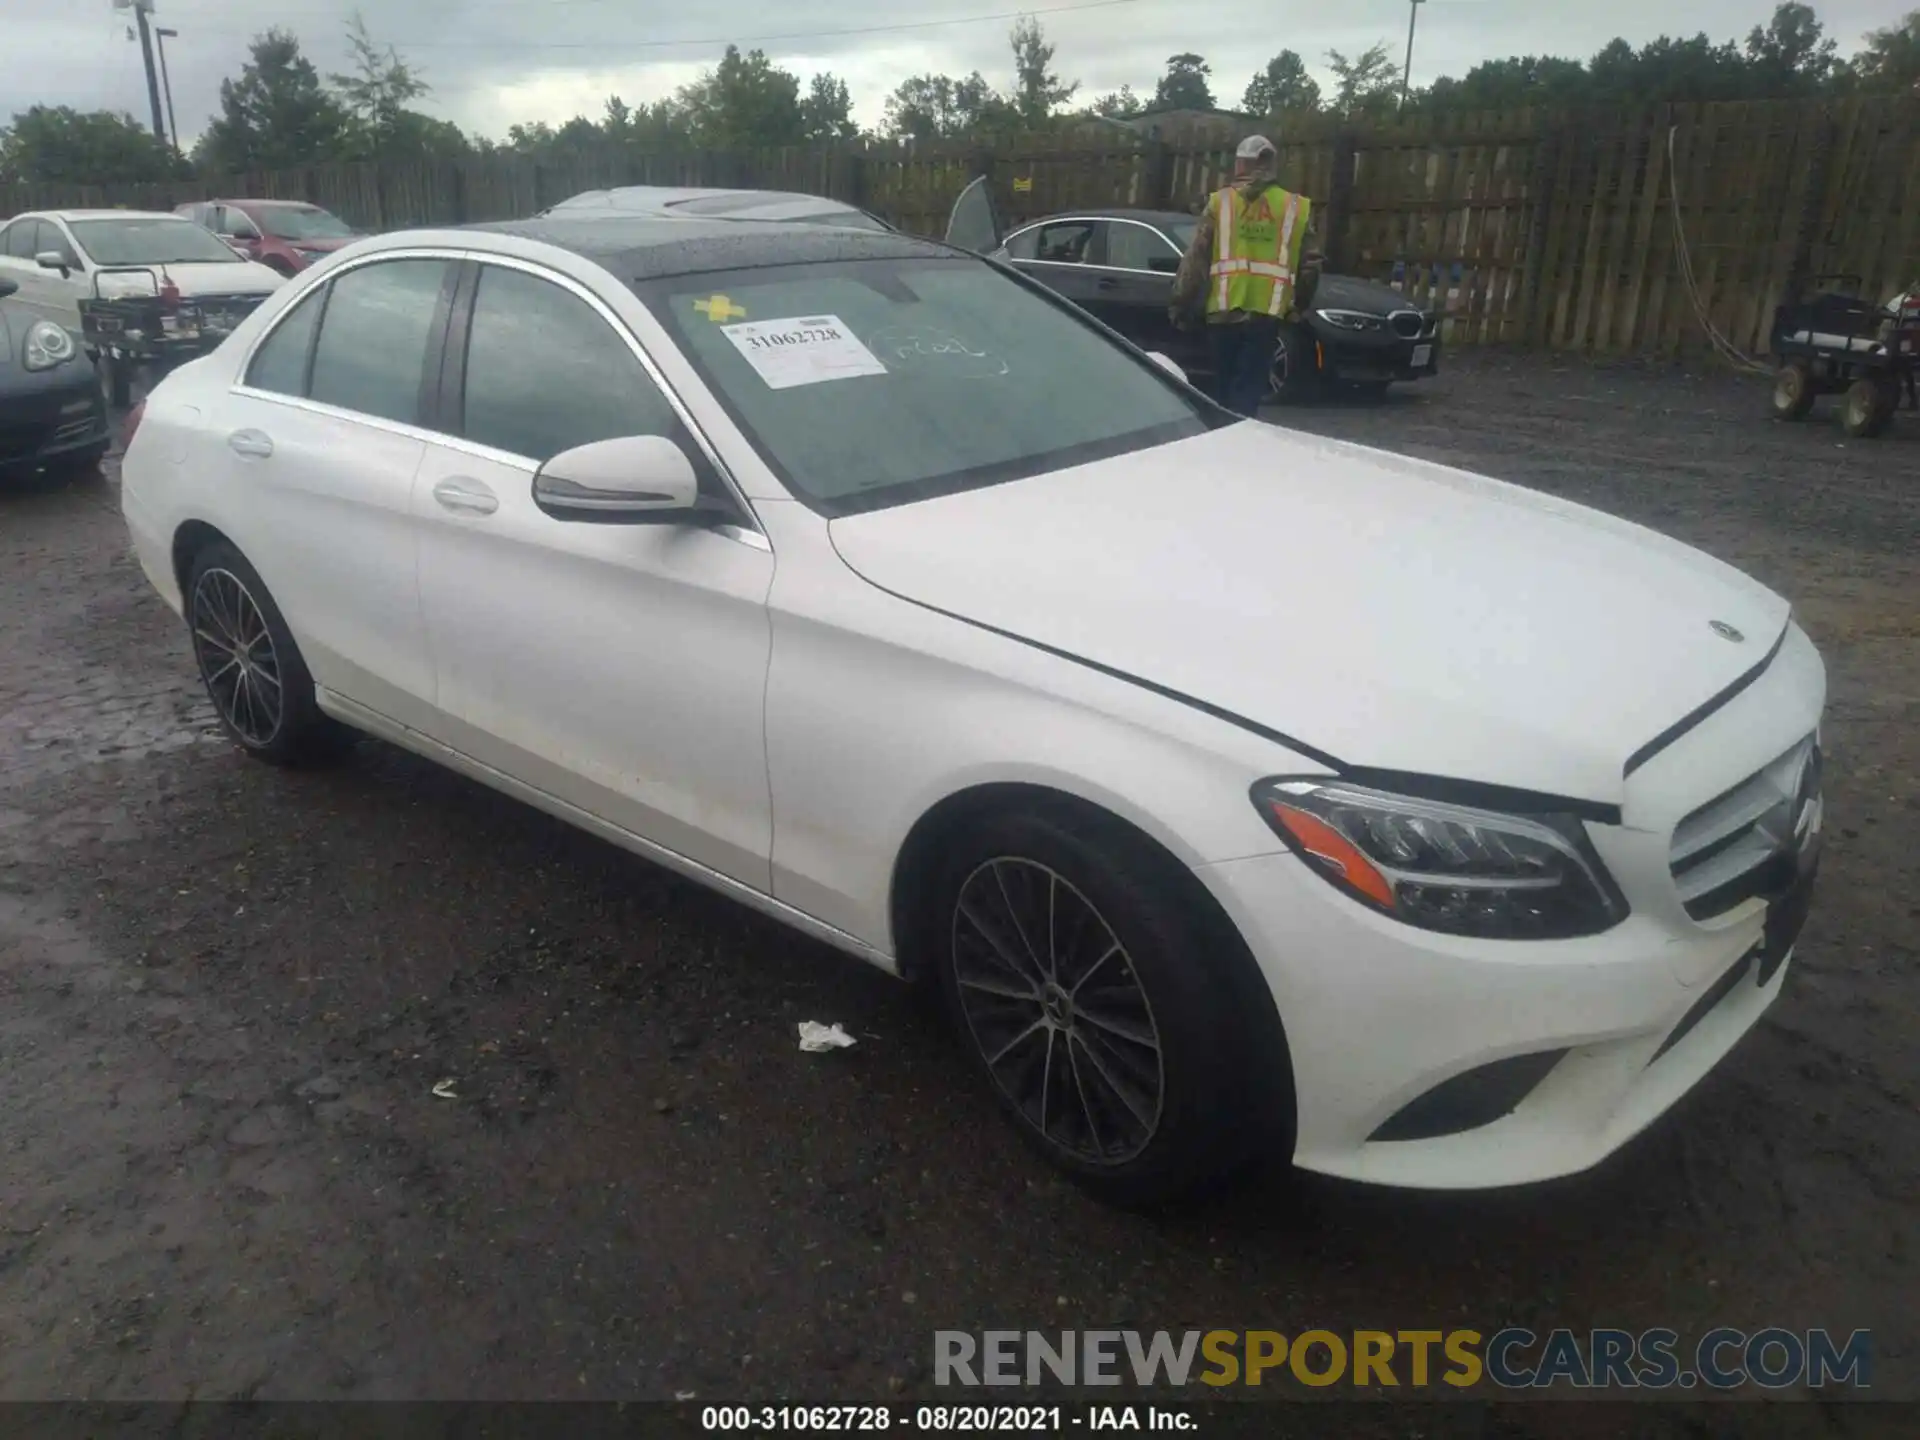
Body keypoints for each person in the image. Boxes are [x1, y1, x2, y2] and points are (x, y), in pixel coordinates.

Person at [1168, 134, 1323, 417]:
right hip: (1266, 314)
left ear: (1241, 164)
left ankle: (1222, 445)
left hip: (1222, 312)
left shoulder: (1220, 203)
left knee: (1221, 391)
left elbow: (1195, 260)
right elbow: (1311, 265)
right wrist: (1297, 305)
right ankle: (1241, 443)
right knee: (1248, 392)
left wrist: (1182, 303)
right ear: (1272, 165)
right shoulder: (1294, 207)